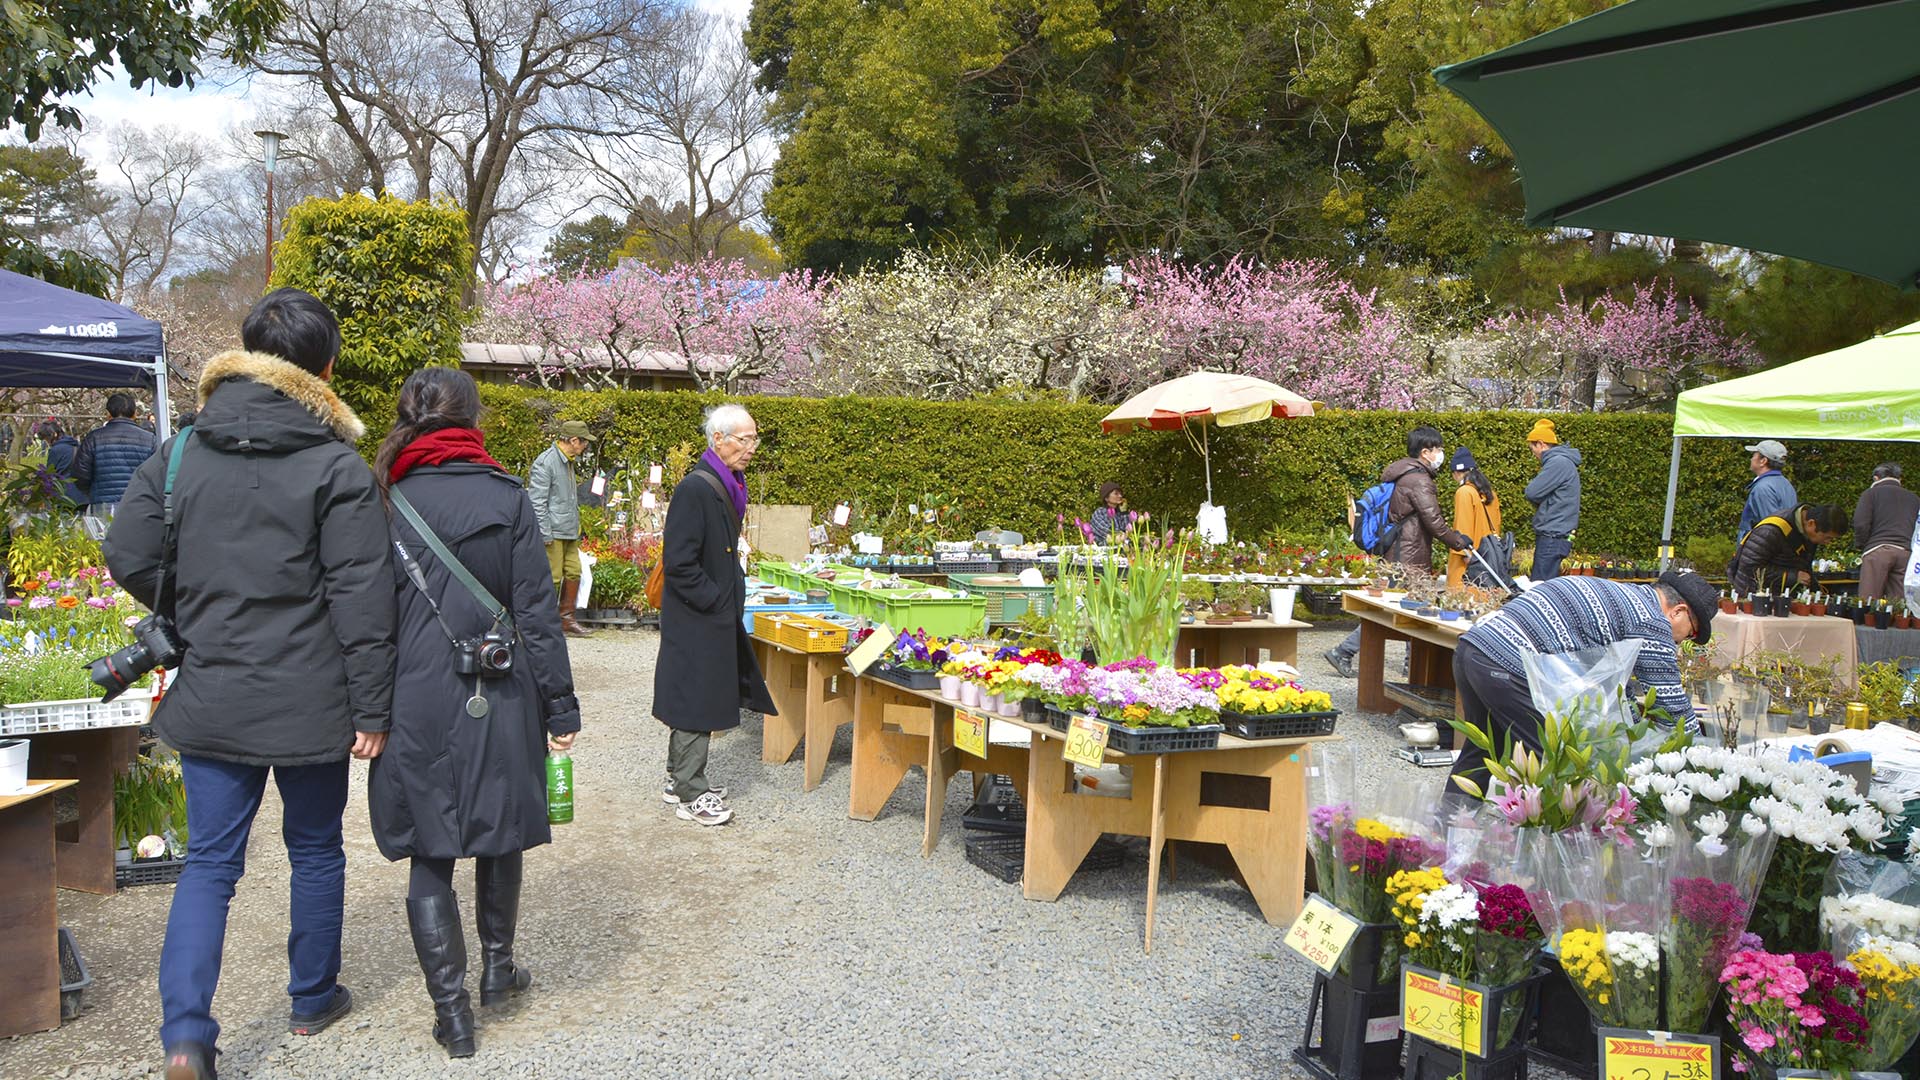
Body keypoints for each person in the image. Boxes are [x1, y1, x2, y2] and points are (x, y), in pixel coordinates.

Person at [102, 288, 396, 1080]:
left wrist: (185, 600)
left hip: (213, 692)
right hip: (312, 700)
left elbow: (127, 552)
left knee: (209, 867)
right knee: (315, 850)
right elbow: (363, 598)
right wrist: (373, 705)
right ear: (324, 367)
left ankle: (186, 1037)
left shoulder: (183, 451)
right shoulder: (336, 464)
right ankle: (310, 998)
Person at [367, 369, 582, 1059]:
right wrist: (560, 706)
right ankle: (496, 970)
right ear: (474, 418)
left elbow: (366, 619)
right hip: (502, 688)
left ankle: (453, 1015)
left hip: (414, 695)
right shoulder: (505, 494)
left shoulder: (383, 496)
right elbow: (538, 616)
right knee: (499, 828)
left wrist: (366, 711)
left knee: (429, 848)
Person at [1450, 570, 1717, 790]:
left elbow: (1611, 689)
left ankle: (1444, 840)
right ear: (1678, 611)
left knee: (1482, 752)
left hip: (1474, 648)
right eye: (1691, 634)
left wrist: (1631, 728)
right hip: (1507, 662)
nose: (1681, 643)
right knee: (1554, 768)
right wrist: (1703, 758)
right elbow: (1671, 706)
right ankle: (1537, 849)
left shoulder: (1622, 598)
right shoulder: (1652, 619)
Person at [653, 403, 777, 826]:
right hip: (698, 614)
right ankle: (692, 792)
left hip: (708, 611)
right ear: (718, 439)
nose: (751, 448)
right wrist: (714, 600)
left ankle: (678, 780)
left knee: (694, 692)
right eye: (743, 439)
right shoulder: (697, 487)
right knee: (697, 699)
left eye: (753, 439)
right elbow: (679, 562)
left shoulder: (728, 482)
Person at [1325, 426, 1471, 677]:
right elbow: (1433, 520)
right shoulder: (1419, 480)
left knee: (1399, 607)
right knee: (1409, 608)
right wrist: (1459, 542)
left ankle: (1401, 662)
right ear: (1425, 452)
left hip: (1400, 550)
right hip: (1409, 553)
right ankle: (1351, 653)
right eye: (1438, 449)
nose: (1441, 454)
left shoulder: (1404, 474)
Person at [529, 420, 596, 638]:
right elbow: (536, 501)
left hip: (569, 530)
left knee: (575, 571)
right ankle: (542, 623)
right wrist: (545, 533)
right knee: (553, 577)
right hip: (553, 532)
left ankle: (567, 620)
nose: (585, 446)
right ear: (574, 440)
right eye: (584, 442)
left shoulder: (568, 461)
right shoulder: (546, 462)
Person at [74, 391, 158, 517]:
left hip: (102, 504)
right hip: (138, 504)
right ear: (135, 413)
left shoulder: (94, 438)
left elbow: (80, 475)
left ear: (108, 414)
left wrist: (94, 491)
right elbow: (156, 475)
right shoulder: (150, 439)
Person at [1731, 502, 1845, 595]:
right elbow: (1749, 567)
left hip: (1782, 595)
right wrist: (1792, 576)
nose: (1827, 543)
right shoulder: (1770, 531)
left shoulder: (1807, 532)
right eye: (1827, 538)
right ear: (1811, 523)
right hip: (1754, 596)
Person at [1523, 419, 1581, 580]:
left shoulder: (1558, 463)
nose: (1533, 453)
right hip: (1557, 533)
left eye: (1532, 448)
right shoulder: (1563, 462)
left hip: (1552, 535)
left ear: (1541, 444)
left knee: (1540, 585)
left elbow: (1532, 492)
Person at [1855, 463, 1920, 602]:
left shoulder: (1870, 494)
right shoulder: (1914, 498)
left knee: (1868, 603)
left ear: (1876, 478)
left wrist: (1862, 545)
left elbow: (1861, 524)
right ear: (1899, 479)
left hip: (1877, 550)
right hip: (1906, 553)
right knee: (1900, 605)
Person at [1446, 447, 1502, 589]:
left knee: (1462, 600)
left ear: (1457, 473)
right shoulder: (1490, 494)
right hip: (1490, 557)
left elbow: (1462, 528)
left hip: (1469, 561)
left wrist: (1465, 553)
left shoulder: (1464, 492)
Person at [1738, 439, 1798, 542]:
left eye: (1754, 455)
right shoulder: (1786, 484)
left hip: (1760, 552)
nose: (1751, 459)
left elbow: (1770, 530)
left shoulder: (1763, 488)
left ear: (1763, 461)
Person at [34, 418, 87, 507]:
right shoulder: (77, 446)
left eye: (46, 439)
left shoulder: (56, 450)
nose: (46, 442)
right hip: (83, 495)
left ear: (53, 435)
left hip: (65, 495)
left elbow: (49, 474)